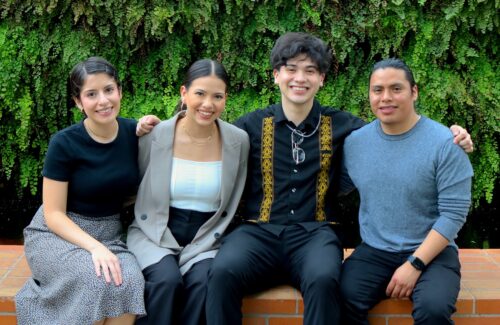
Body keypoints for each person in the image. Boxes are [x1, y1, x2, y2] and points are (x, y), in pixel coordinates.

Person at [136, 33, 473, 325]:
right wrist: (149, 127)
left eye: (310, 70)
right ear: (276, 75)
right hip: (258, 230)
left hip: (315, 233)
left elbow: (395, 133)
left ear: (322, 79)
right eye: (291, 69)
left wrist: (454, 136)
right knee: (221, 273)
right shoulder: (247, 127)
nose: (300, 78)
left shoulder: (348, 128)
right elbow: (201, 130)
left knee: (326, 278)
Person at [339, 58, 474, 324]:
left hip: (433, 253)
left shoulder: (446, 144)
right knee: (340, 296)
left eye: (396, 89)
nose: (385, 97)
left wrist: (415, 264)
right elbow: (331, 187)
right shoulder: (356, 144)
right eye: (377, 90)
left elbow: (454, 214)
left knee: (433, 310)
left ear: (414, 92)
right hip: (375, 250)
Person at [15, 57, 146, 325]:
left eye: (109, 89)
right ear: (78, 102)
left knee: (129, 279)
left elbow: (177, 136)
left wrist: (155, 124)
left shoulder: (134, 132)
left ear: (119, 91)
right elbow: (53, 214)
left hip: (109, 234)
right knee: (94, 280)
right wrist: (94, 248)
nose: (103, 101)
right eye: (91, 94)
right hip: (58, 234)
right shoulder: (64, 143)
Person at [127, 59, 249, 325]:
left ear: (226, 99)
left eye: (217, 96)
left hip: (206, 238)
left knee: (205, 284)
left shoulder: (238, 141)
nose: (208, 104)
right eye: (200, 94)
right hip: (155, 232)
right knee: (166, 281)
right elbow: (132, 183)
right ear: (184, 93)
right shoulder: (155, 135)